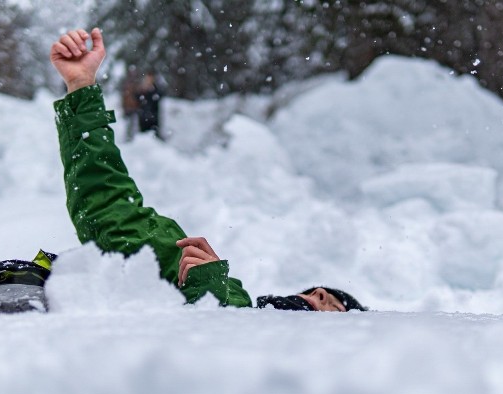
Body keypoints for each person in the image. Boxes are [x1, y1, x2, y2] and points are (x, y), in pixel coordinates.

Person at [48, 28, 365, 313]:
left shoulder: (217, 291)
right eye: (317, 293)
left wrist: (209, 297)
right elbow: (112, 212)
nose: (319, 292)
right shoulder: (218, 283)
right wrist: (81, 85)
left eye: (337, 310)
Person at [137, 71, 164, 139]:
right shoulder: (142, 90)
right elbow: (137, 98)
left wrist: (150, 90)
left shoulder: (156, 89)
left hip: (153, 118)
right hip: (143, 118)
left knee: (154, 137)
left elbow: (158, 97)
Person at [119, 64, 141, 142]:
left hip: (134, 108)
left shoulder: (136, 83)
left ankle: (132, 138)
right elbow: (124, 98)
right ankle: (128, 138)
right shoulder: (127, 84)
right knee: (129, 124)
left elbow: (138, 97)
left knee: (133, 123)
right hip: (128, 108)